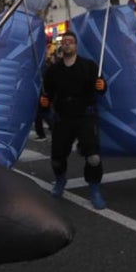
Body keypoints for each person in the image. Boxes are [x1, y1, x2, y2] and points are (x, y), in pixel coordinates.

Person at [41, 30, 108, 209]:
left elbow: (100, 88)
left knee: (93, 157)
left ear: (76, 45)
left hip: (85, 116)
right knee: (56, 158)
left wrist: (102, 86)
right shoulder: (53, 70)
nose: (68, 44)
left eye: (71, 41)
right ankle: (60, 181)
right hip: (63, 118)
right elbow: (47, 92)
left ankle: (94, 189)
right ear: (61, 46)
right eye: (65, 41)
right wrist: (44, 100)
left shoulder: (89, 66)